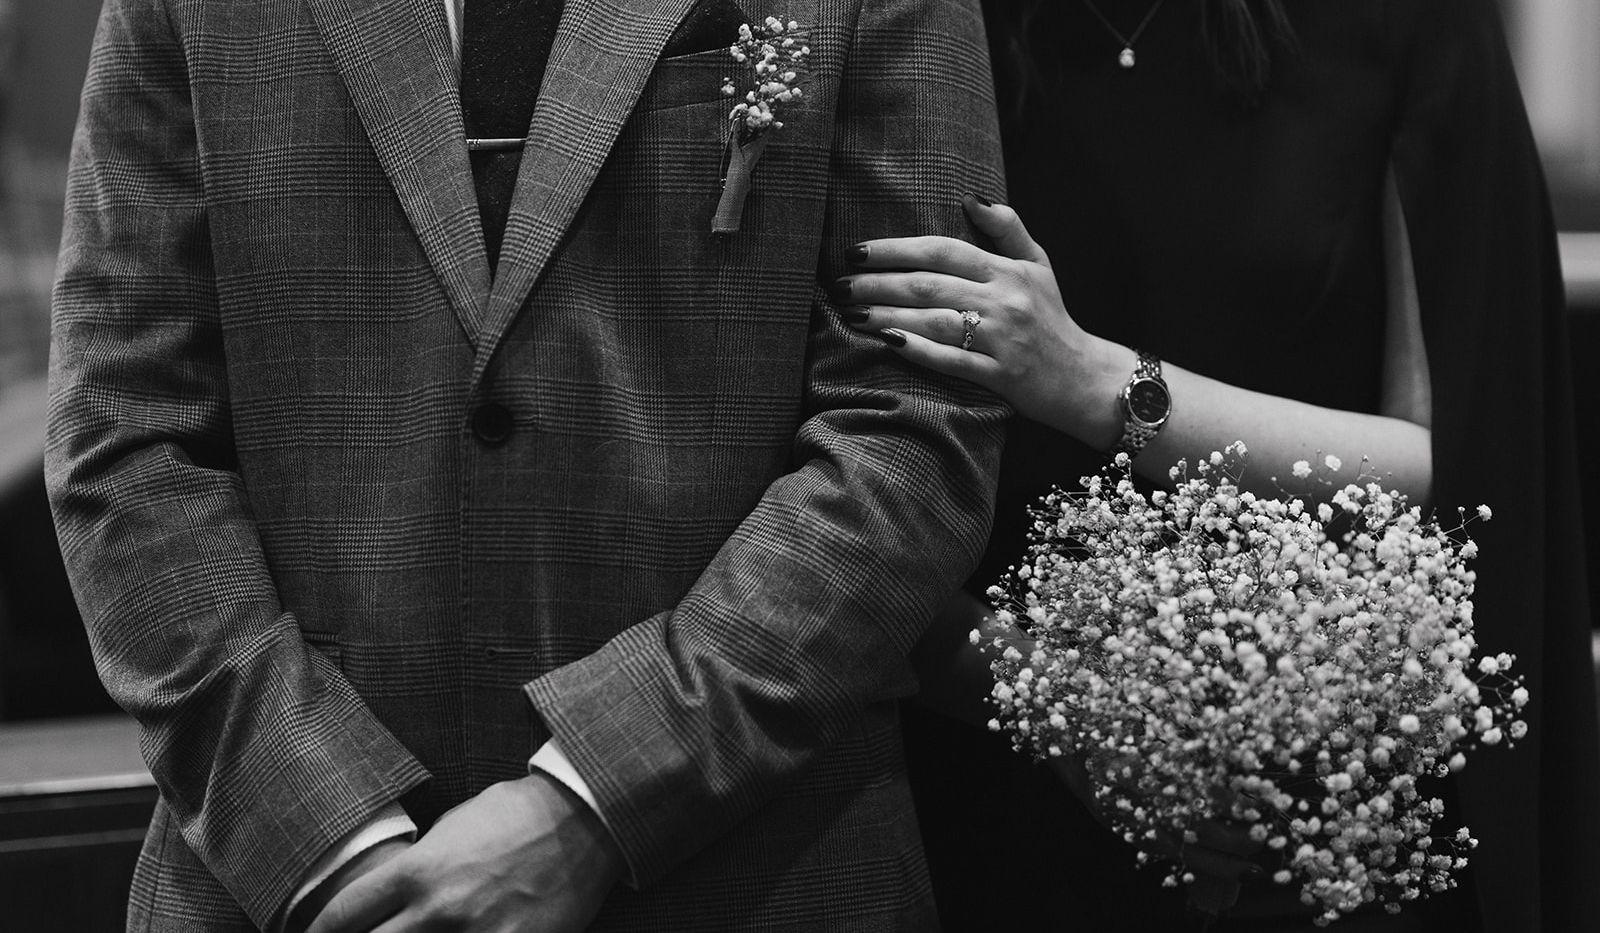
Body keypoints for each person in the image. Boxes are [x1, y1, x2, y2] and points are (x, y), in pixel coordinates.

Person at [45, 0, 1008, 929]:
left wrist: (593, 802)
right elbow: (125, 433)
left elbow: (910, 425)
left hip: (746, 867)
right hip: (299, 882)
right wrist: (336, 841)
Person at [836, 0, 1600, 930]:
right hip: (981, 777)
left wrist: (1090, 380)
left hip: (1322, 788)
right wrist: (1064, 708)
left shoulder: (1405, 24)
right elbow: (837, 467)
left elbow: (1461, 467)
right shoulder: (931, 30)